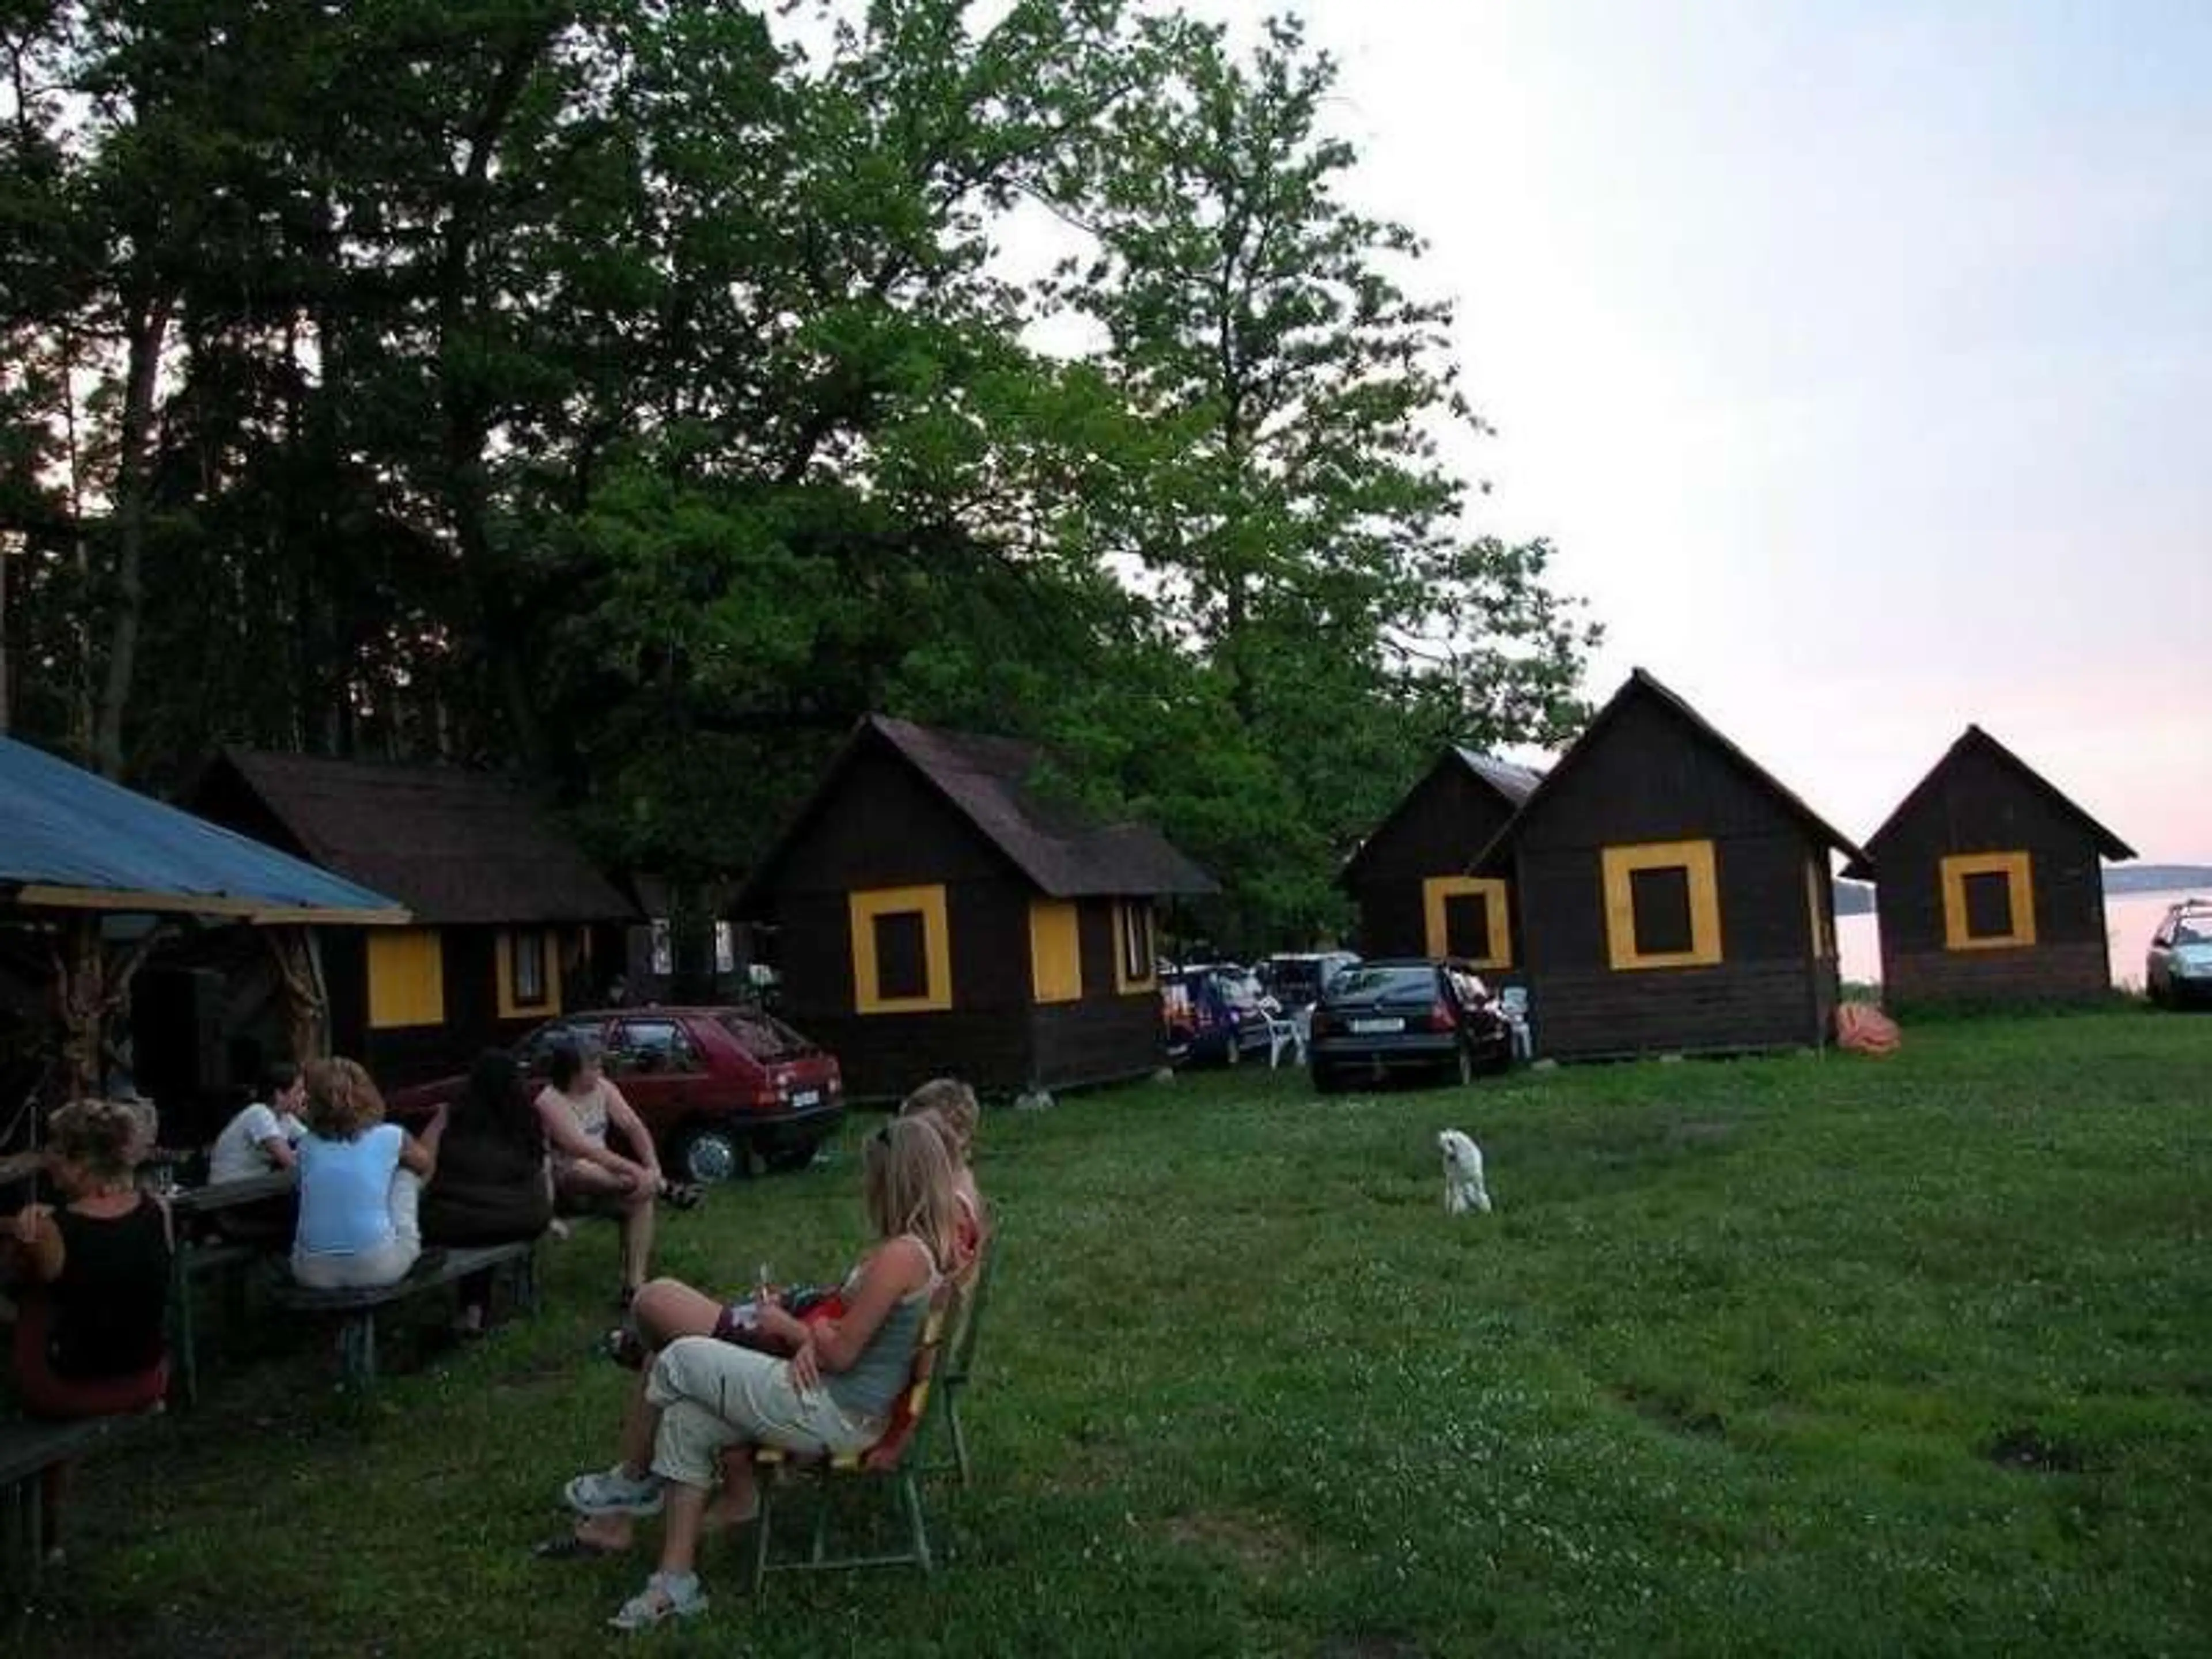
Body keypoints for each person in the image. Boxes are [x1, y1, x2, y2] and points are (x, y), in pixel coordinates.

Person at [555, 1115, 961, 1631]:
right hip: (830, 1396)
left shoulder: (902, 1255)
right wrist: (815, 1339)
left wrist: (796, 1333)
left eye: (872, 1176)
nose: (866, 1186)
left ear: (893, 1180)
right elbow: (839, 1339)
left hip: (836, 1412)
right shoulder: (914, 1250)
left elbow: (841, 1353)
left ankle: (632, 1483)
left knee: (679, 1358)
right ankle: (674, 1583)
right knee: (688, 1416)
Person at [3, 1100, 173, 1562]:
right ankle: (49, 1535)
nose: (48, 1158)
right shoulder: (156, 1209)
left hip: (69, 1388)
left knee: (35, 1306)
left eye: (56, 1149)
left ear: (81, 1161)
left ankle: (43, 1535)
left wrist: (23, 1230)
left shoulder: (51, 1231)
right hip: (146, 1377)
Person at [420, 1050, 552, 1335]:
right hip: (523, 1216)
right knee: (485, 1224)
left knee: (472, 1223)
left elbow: (423, 1164)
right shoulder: (527, 1118)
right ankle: (475, 1311)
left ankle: (470, 1313)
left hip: (457, 1221)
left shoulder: (454, 1117)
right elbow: (541, 1167)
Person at [291, 1057, 445, 1291]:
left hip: (311, 1272)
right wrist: (438, 1122)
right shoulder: (391, 1135)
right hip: (377, 1268)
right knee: (405, 1174)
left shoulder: (306, 1145)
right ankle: (402, 1238)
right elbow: (424, 1166)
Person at [535, 1036, 662, 1306]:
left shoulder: (603, 1088)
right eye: (593, 1067)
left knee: (642, 1201)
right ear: (573, 1072)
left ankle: (634, 1286)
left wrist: (652, 1166)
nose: (600, 1072)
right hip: (568, 1187)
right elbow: (582, 1149)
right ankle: (645, 1185)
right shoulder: (550, 1101)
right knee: (581, 1169)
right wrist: (636, 1174)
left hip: (608, 1181)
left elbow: (632, 1125)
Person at [207, 1063, 308, 1184]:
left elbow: (312, 1143)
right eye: (299, 1091)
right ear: (279, 1094)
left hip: (252, 1186)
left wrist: (310, 1117)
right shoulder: (259, 1113)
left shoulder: (285, 1117)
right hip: (228, 1190)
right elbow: (290, 1162)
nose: (304, 1096)